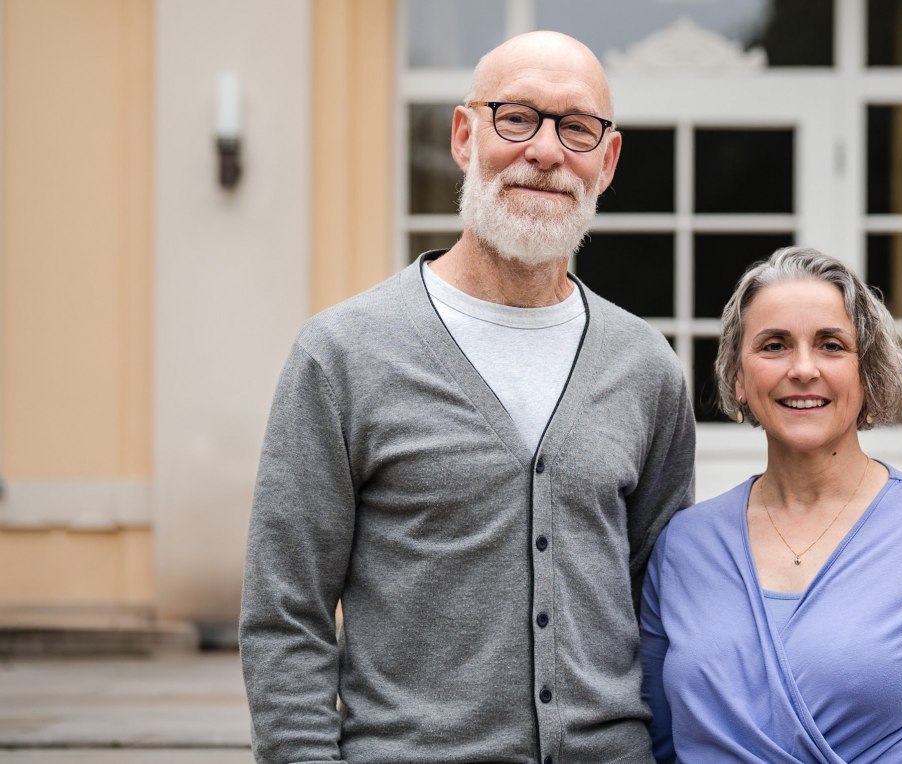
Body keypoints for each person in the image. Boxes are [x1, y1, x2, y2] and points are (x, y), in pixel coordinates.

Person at [239, 31, 695, 764]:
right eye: (516, 117)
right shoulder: (344, 354)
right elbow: (285, 616)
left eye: (577, 128)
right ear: (464, 135)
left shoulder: (646, 368)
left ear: (606, 162)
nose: (546, 152)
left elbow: (665, 615)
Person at [640, 247, 902, 763]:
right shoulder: (683, 546)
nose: (803, 369)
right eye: (774, 345)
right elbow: (657, 743)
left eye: (831, 345)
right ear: (738, 378)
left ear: (867, 373)